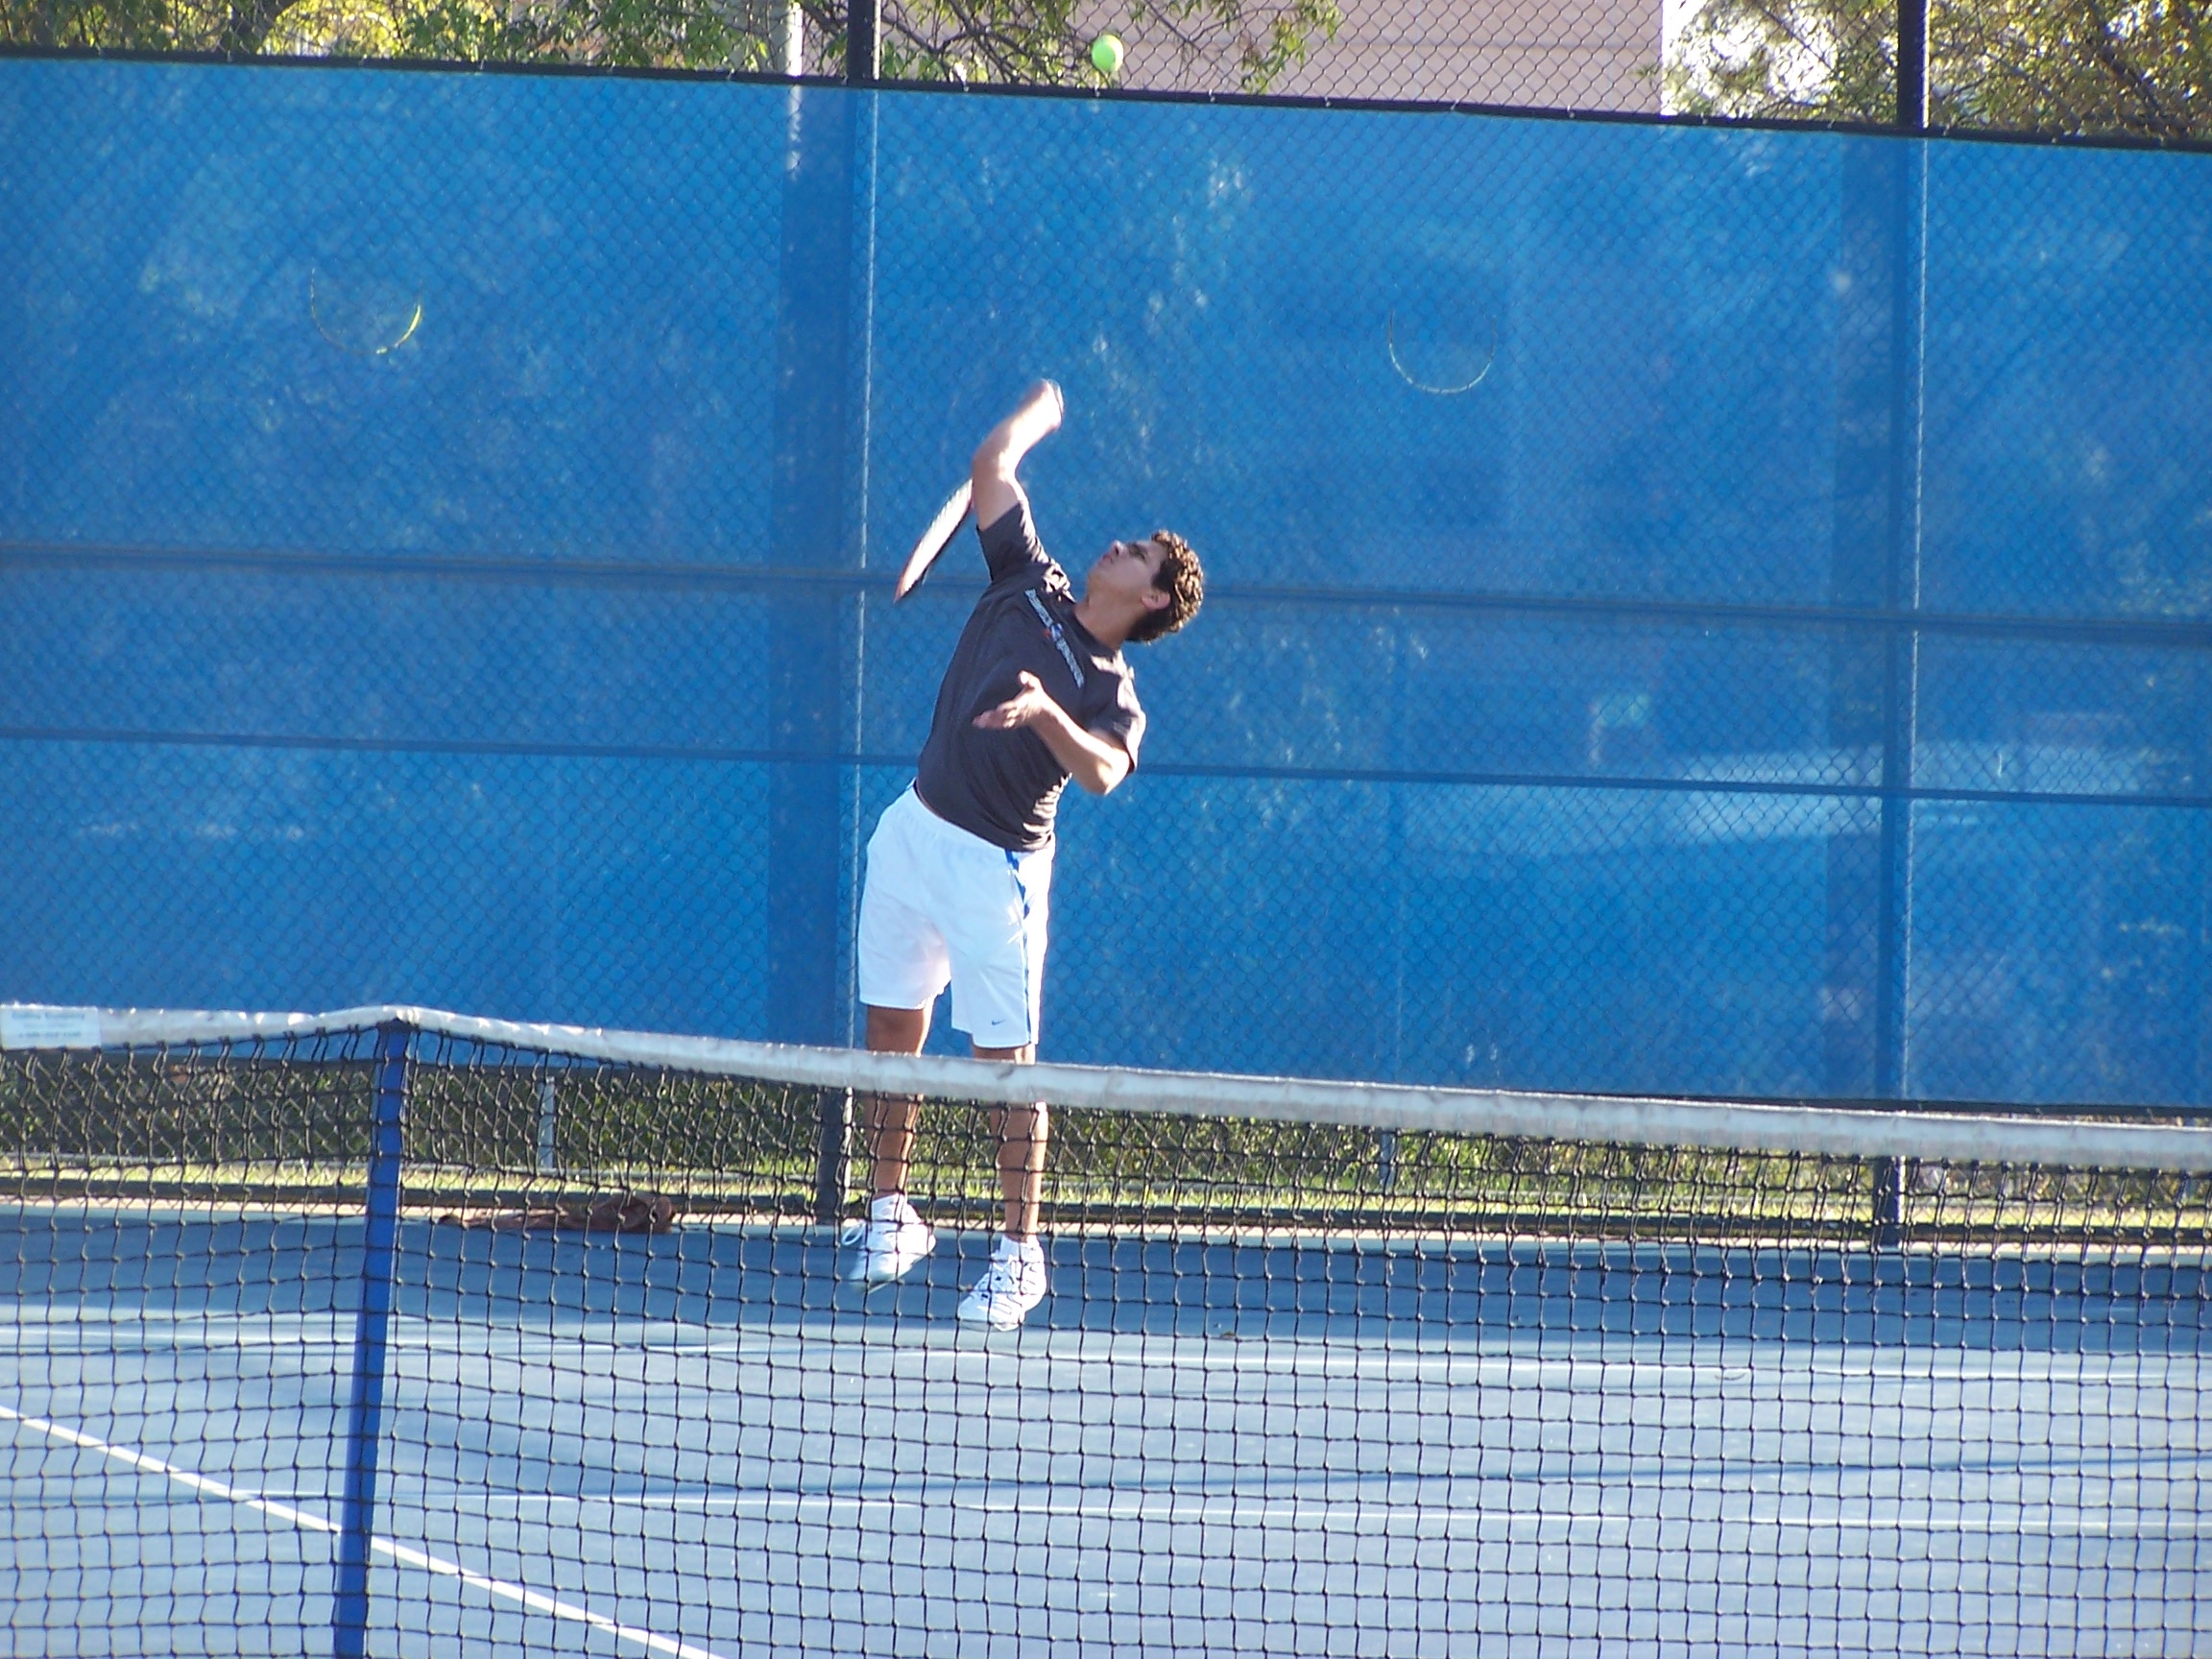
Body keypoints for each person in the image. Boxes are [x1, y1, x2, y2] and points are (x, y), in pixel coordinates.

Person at [845, 379, 1205, 1329]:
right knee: (891, 1036)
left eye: (1139, 553)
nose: (1119, 545)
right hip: (914, 830)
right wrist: (1044, 410)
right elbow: (991, 466)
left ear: (1152, 597)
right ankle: (890, 1212)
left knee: (1008, 1069)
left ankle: (1019, 1255)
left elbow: (1103, 774)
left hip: (995, 873)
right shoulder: (1027, 577)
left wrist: (1046, 712)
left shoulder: (1110, 691)